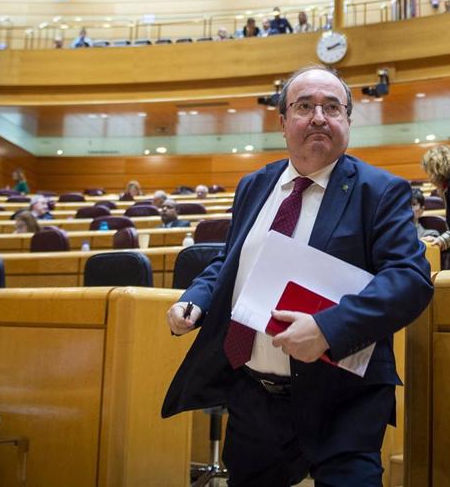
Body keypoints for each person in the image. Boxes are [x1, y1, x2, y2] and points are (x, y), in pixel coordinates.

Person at [163, 65, 433, 486]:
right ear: (283, 121)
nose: (319, 117)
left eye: (332, 107)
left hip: (342, 401)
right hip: (254, 399)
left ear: (347, 119)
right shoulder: (255, 185)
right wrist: (197, 295)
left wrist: (328, 328)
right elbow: (232, 260)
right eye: (305, 106)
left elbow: (410, 279)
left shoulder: (379, 190)